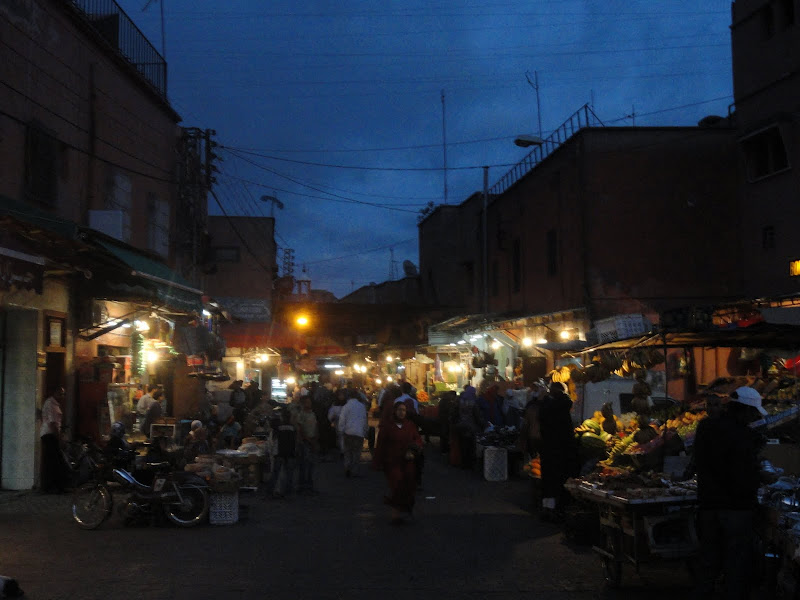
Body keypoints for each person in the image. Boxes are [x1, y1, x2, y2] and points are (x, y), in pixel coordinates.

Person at [692, 386, 765, 600]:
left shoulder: (705, 427)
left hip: (708, 504)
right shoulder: (746, 436)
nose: (754, 417)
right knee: (735, 562)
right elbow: (744, 473)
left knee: (708, 560)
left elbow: (699, 462)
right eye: (752, 413)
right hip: (736, 508)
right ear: (743, 410)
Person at [372, 400, 423, 524]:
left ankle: (404, 510)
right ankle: (395, 514)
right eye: (399, 410)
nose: (401, 413)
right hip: (392, 462)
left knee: (408, 486)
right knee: (396, 486)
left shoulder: (410, 425)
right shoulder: (387, 427)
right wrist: (377, 462)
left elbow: (418, 440)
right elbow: (380, 445)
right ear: (395, 411)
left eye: (404, 410)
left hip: (408, 461)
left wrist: (413, 449)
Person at [538, 381, 579, 520]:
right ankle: (558, 509)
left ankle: (548, 509)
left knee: (549, 481)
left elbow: (542, 418)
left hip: (549, 448)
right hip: (561, 449)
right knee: (559, 480)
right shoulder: (563, 404)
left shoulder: (547, 406)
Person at [40, 387, 67, 493]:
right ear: (55, 393)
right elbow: (53, 423)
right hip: (50, 435)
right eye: (60, 394)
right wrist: (59, 438)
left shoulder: (54, 404)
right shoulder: (51, 404)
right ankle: (52, 486)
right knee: (54, 461)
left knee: (53, 461)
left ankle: (53, 486)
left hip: (51, 434)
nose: (62, 397)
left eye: (63, 394)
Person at [265, 408, 296, 499]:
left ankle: (270, 492)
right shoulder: (293, 427)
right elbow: (295, 440)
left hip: (279, 452)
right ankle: (288, 492)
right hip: (290, 452)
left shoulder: (278, 428)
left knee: (275, 473)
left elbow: (274, 441)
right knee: (289, 474)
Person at [338, 389, 369, 477]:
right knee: (356, 453)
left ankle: (347, 467)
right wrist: (365, 431)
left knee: (348, 452)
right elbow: (364, 420)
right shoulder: (361, 406)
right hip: (359, 433)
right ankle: (354, 470)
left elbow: (342, 420)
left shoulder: (346, 406)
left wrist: (341, 430)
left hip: (348, 432)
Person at [453, 385, 486, 469]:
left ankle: (464, 463)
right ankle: (470, 463)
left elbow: (455, 413)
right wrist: (483, 424)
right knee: (470, 445)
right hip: (471, 426)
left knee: (463, 445)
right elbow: (477, 416)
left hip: (461, 425)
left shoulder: (460, 401)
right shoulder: (473, 402)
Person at [293, 396, 319, 494]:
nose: (310, 404)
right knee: (304, 464)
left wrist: (315, 439)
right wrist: (308, 440)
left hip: (312, 440)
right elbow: (300, 429)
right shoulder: (301, 415)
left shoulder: (312, 414)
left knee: (311, 464)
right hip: (304, 442)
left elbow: (316, 426)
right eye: (307, 402)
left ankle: (309, 485)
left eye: (310, 402)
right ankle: (302, 486)